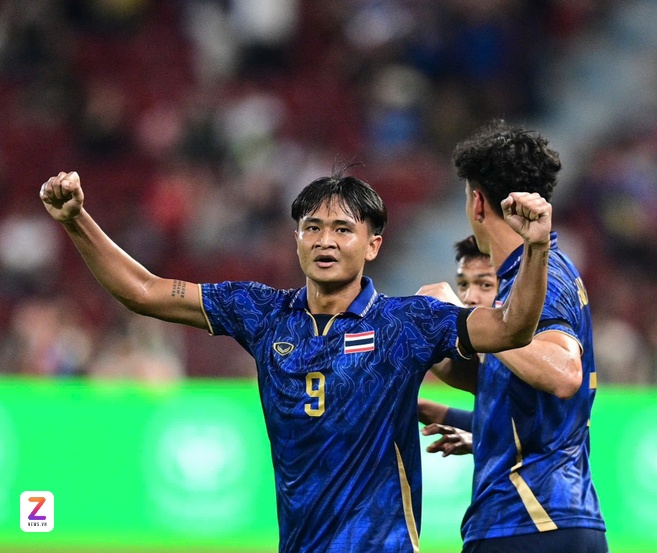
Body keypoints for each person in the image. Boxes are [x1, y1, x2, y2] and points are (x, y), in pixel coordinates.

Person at [39, 169, 553, 553]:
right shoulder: (262, 313)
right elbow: (144, 291)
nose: (325, 240)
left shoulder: (407, 323)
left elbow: (512, 328)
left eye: (343, 229)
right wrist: (76, 220)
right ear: (297, 239)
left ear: (373, 245)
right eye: (312, 227)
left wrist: (535, 250)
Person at [420, 120, 607, 553]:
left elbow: (563, 373)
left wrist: (464, 316)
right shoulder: (528, 279)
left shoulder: (541, 278)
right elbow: (513, 386)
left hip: (527, 521)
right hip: (551, 520)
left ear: (477, 203)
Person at [418, 235, 496, 456]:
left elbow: (551, 433)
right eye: (463, 284)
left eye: (485, 285)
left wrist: (461, 315)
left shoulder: (536, 351)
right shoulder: (488, 358)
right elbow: (505, 422)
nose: (469, 297)